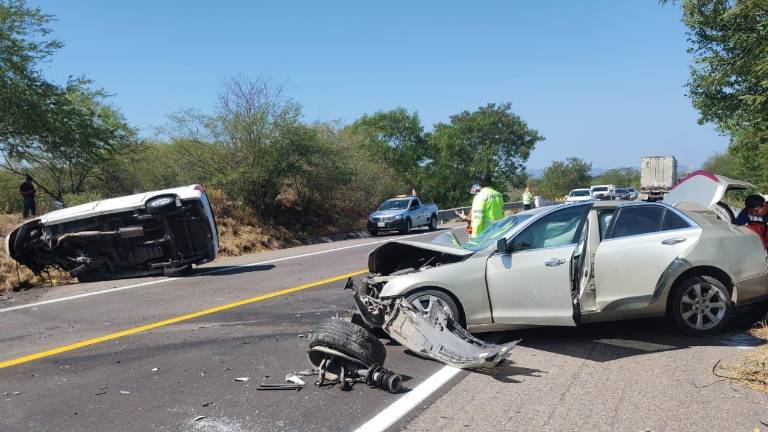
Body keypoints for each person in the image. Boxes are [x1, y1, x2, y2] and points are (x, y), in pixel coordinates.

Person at [470, 172, 504, 238]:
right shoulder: (499, 195)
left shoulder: (479, 197)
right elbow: (502, 213)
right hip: (498, 233)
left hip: (486, 236)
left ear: (479, 183)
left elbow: (477, 219)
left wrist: (475, 238)